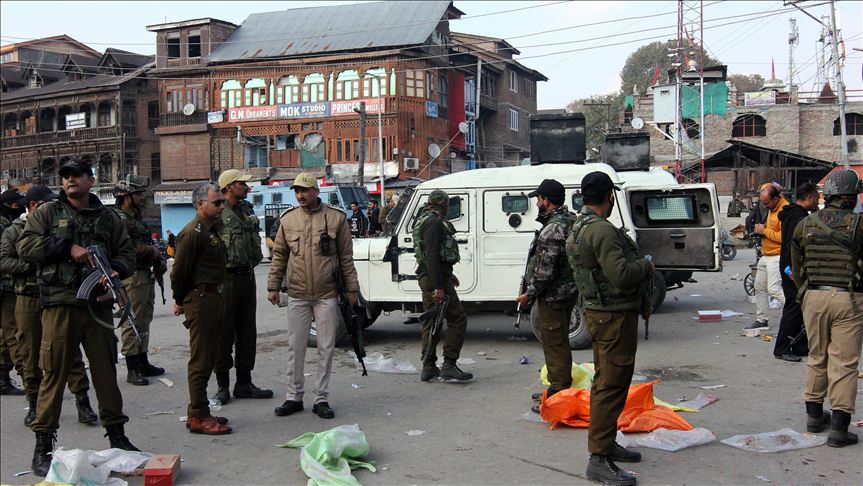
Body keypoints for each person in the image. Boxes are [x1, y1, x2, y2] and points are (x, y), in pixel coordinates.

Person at [18, 158, 139, 477]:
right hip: (60, 304)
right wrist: (67, 248)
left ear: (90, 179)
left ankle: (118, 437)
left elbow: (126, 253)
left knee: (106, 372)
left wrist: (116, 270)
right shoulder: (47, 212)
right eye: (66, 176)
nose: (70, 180)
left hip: (96, 305)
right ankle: (42, 446)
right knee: (54, 373)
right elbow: (26, 245)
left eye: (77, 175)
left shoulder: (108, 217)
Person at [566, 171, 653, 486]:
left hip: (600, 313)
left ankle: (607, 443)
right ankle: (599, 459)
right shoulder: (601, 230)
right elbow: (621, 275)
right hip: (613, 316)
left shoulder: (579, 226)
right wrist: (646, 264)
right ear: (609, 197)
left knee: (608, 381)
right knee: (611, 385)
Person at [1, 185, 97, 426]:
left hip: (57, 294)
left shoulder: (59, 227)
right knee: (29, 351)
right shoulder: (15, 231)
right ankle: (34, 403)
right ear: (33, 206)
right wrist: (35, 266)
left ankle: (82, 401)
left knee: (70, 350)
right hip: (29, 296)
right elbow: (4, 260)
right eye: (45, 203)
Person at [267, 173, 359, 419]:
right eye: (297, 191)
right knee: (295, 348)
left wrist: (352, 289)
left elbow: (346, 259)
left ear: (316, 191)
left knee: (325, 347)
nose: (300, 195)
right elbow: (279, 256)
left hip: (326, 294)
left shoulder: (336, 218)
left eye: (305, 190)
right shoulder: (288, 220)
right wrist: (273, 286)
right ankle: (293, 397)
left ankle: (321, 398)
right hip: (297, 294)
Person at [791, 169, 863, 448]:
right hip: (848, 298)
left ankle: (814, 417)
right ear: (848, 197)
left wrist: (804, 295)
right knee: (844, 363)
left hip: (813, 298)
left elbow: (797, 266)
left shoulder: (805, 225)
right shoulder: (859, 224)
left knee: (817, 356)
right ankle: (839, 430)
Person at [170, 182, 232, 435]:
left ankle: (201, 410)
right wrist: (181, 300)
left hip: (212, 297)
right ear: (200, 205)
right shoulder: (193, 233)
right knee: (201, 359)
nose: (221, 206)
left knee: (209, 356)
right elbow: (179, 272)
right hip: (200, 298)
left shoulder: (211, 230)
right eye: (216, 202)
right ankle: (198, 415)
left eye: (222, 202)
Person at [516, 179, 577, 407]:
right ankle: (558, 386)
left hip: (554, 295)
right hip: (568, 291)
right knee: (558, 340)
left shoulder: (553, 228)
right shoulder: (570, 220)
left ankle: (559, 393)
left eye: (539, 199)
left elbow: (545, 270)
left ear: (546, 201)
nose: (537, 203)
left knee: (554, 343)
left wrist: (528, 294)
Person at [213, 169, 271, 404]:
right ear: (228, 187)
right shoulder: (217, 212)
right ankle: (222, 386)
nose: (247, 188)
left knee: (247, 332)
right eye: (242, 184)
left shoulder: (246, 209)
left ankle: (244, 383)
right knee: (223, 333)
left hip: (247, 276)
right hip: (225, 279)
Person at [413, 189, 473, 383]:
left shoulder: (424, 220)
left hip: (430, 276)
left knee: (433, 321)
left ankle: (428, 366)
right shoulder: (433, 223)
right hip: (433, 279)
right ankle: (448, 365)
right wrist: (439, 285)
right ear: (443, 205)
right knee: (458, 319)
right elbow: (431, 256)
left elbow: (433, 255)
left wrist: (448, 275)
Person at [113, 176, 166, 386]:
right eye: (137, 194)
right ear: (126, 196)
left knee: (144, 319)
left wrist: (156, 256)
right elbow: (126, 248)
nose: (142, 197)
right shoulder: (119, 218)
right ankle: (132, 367)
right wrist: (151, 250)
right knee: (131, 320)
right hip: (131, 275)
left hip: (144, 273)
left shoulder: (134, 216)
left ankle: (143, 360)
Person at [774, 182, 820, 362]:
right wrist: (791, 270)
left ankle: (800, 345)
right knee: (793, 307)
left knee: (800, 307)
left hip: (790, 266)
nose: (817, 202)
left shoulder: (794, 214)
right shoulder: (798, 217)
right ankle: (782, 348)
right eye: (816, 198)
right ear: (809, 197)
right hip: (792, 268)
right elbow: (791, 247)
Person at [747, 183, 789, 331]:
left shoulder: (784, 210)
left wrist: (764, 231)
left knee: (773, 289)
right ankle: (762, 319)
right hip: (767, 254)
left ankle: (798, 312)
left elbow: (784, 237)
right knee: (759, 287)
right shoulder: (772, 207)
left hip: (777, 255)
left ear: (776, 198)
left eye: (766, 203)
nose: (765, 206)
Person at [0, 188, 26, 395]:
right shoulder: (4, 226)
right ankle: (29, 380)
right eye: (17, 205)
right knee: (14, 334)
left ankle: (2, 378)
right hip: (6, 286)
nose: (21, 209)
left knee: (5, 334)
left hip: (8, 285)